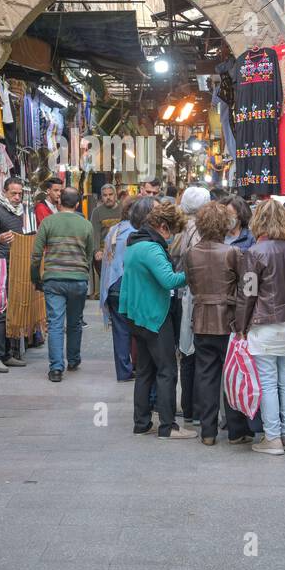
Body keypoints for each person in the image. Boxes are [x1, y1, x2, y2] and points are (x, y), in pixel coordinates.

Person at [120, 201, 197, 439]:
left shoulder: (134, 243)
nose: (172, 236)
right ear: (163, 226)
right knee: (167, 371)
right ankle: (167, 426)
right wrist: (195, 273)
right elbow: (169, 281)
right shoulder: (151, 248)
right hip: (155, 315)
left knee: (144, 370)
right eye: (172, 230)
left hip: (137, 315)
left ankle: (141, 423)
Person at [240, 199, 285, 455]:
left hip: (264, 324)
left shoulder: (254, 253)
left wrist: (241, 325)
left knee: (268, 383)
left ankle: (272, 438)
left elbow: (248, 293)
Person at [183, 201, 246, 445]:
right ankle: (235, 430)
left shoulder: (191, 253)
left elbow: (190, 283)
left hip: (200, 319)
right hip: (228, 321)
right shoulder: (232, 253)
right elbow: (244, 288)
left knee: (205, 376)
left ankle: (208, 432)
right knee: (231, 377)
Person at [32, 186, 94, 382]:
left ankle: (56, 369)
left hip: (54, 280)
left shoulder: (48, 222)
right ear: (77, 204)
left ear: (59, 202)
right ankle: (73, 359)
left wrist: (36, 277)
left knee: (55, 324)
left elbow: (36, 255)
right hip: (78, 280)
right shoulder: (86, 225)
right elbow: (90, 254)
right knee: (75, 322)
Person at [171, 186, 213, 424]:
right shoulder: (201, 230)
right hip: (193, 293)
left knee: (186, 351)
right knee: (195, 351)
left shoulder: (178, 228)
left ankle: (189, 407)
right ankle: (196, 407)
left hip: (180, 292)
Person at [0, 176, 31, 369]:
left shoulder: (17, 212)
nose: (17, 197)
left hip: (14, 266)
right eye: (14, 193)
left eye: (20, 193)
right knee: (0, 311)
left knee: (12, 310)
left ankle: (6, 353)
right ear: (4, 192)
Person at [102, 196, 144, 381]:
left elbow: (106, 261)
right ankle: (140, 368)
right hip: (131, 286)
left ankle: (123, 372)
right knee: (139, 330)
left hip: (112, 286)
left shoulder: (114, 230)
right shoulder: (137, 233)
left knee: (119, 331)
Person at [90, 183, 123, 297]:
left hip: (121, 250)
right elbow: (95, 232)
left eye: (110, 194)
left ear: (115, 195)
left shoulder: (123, 209)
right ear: (101, 197)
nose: (108, 197)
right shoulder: (97, 212)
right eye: (105, 195)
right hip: (104, 251)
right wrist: (96, 250)